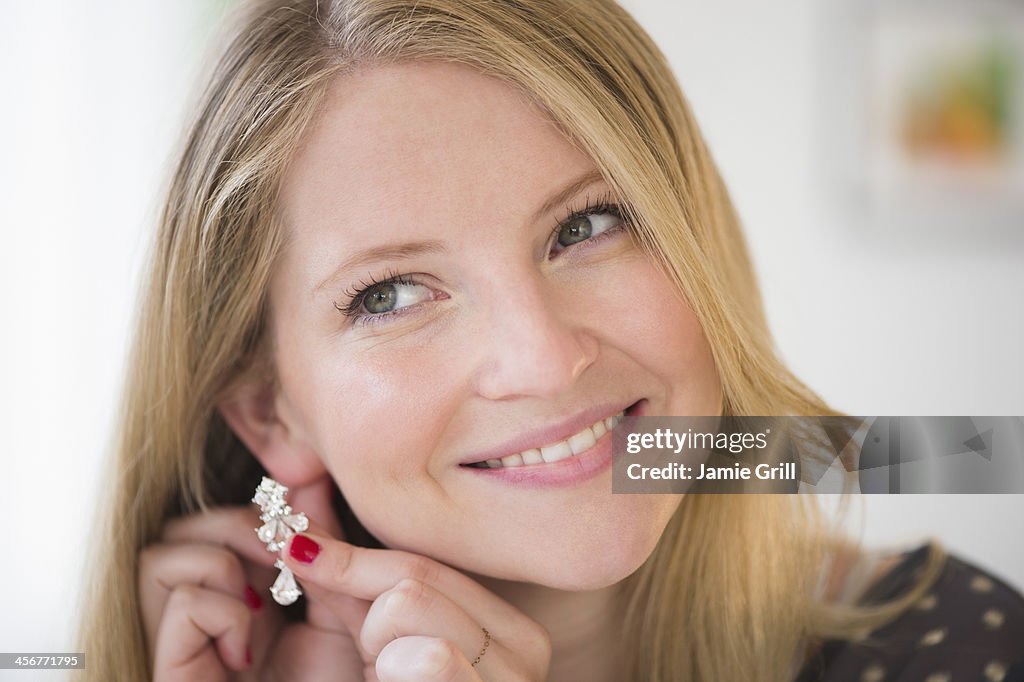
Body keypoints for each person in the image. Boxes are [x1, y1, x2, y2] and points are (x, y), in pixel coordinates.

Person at [75, 0, 1024, 680]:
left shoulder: (956, 643)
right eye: (392, 293)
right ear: (267, 413)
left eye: (585, 226)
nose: (543, 358)